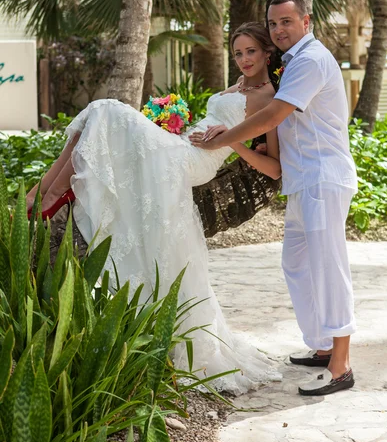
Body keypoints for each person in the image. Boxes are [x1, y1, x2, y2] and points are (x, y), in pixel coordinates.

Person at [26, 22, 282, 395]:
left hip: (193, 161)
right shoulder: (240, 88)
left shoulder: (270, 97)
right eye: (238, 52)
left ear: (267, 53)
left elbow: (274, 167)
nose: (244, 59)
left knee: (106, 109)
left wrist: (231, 143)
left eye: (251, 52)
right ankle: (48, 192)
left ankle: (46, 196)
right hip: (181, 147)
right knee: (96, 121)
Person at [190, 0, 358, 397]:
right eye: (274, 23)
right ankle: (320, 345)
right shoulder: (293, 63)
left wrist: (222, 141)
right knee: (297, 265)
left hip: (322, 177)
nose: (279, 29)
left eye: (286, 21)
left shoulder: (312, 60)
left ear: (307, 21)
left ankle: (341, 364)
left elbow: (275, 113)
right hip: (302, 181)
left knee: (328, 267)